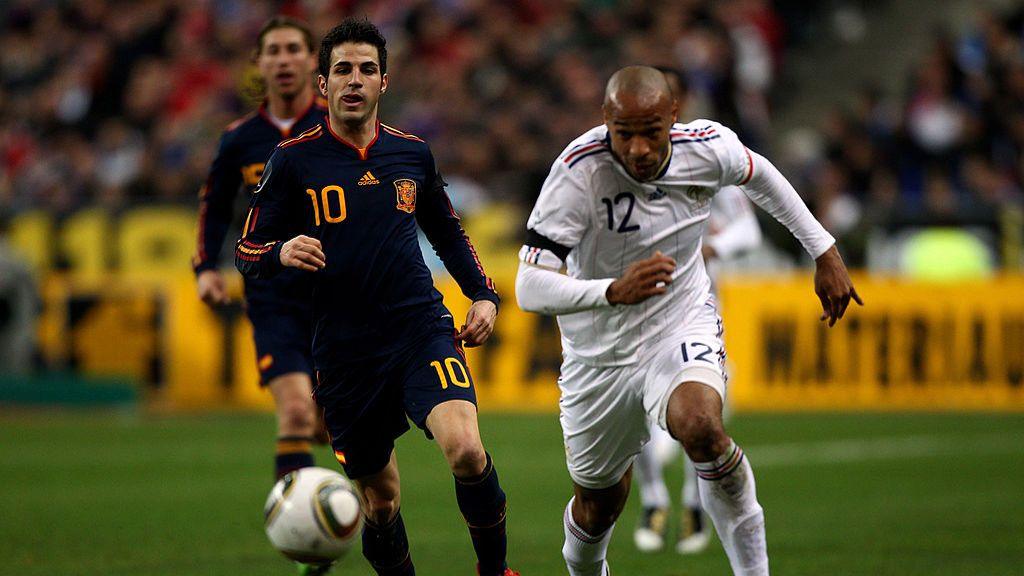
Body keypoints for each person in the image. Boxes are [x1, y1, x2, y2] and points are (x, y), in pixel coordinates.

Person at [516, 65, 861, 576]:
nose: (635, 148)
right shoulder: (577, 172)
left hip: (679, 325)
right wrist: (612, 290)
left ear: (673, 119)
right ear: (605, 120)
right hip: (597, 356)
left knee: (701, 427)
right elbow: (528, 286)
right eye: (623, 133)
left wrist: (823, 249)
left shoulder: (708, 147)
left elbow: (761, 175)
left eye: (649, 132)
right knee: (598, 507)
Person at [235, 18, 518, 576]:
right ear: (323, 84)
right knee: (380, 502)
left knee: (465, 449)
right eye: (343, 70)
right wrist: (280, 252)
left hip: (419, 328)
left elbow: (448, 231)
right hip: (344, 353)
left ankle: (496, 572)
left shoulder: (412, 154)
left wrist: (482, 294)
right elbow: (247, 248)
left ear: (385, 81)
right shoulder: (293, 160)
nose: (355, 80)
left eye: (368, 69)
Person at [632, 67, 764, 556]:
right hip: (642, 306)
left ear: (677, 103)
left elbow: (748, 231)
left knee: (702, 409)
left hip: (700, 305)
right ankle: (652, 499)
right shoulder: (625, 160)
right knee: (634, 405)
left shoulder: (706, 156)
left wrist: (714, 248)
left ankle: (692, 503)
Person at [193, 16, 327, 481]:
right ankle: (303, 545)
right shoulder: (240, 139)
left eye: (294, 48)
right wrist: (205, 266)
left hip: (337, 295)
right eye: (273, 50)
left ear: (313, 60)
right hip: (272, 296)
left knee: (335, 427)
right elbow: (213, 204)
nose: (284, 59)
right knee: (294, 413)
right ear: (259, 64)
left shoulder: (338, 127)